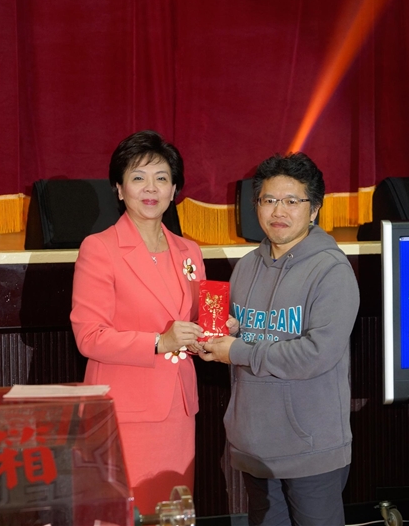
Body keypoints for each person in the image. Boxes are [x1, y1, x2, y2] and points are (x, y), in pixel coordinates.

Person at [202, 152, 360, 526]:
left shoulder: (332, 271)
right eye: (269, 200)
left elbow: (315, 354)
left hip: (311, 448)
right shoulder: (246, 267)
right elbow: (247, 337)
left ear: (314, 209)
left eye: (292, 201)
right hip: (254, 445)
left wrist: (238, 350)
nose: (279, 211)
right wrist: (225, 334)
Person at [71, 130, 206, 513]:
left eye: (161, 178)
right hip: (123, 413)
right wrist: (159, 342)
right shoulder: (100, 248)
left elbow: (191, 321)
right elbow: (89, 336)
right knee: (125, 512)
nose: (151, 188)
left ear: (174, 189)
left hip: (178, 410)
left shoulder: (189, 250)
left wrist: (213, 331)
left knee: (172, 511)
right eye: (138, 177)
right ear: (119, 188)